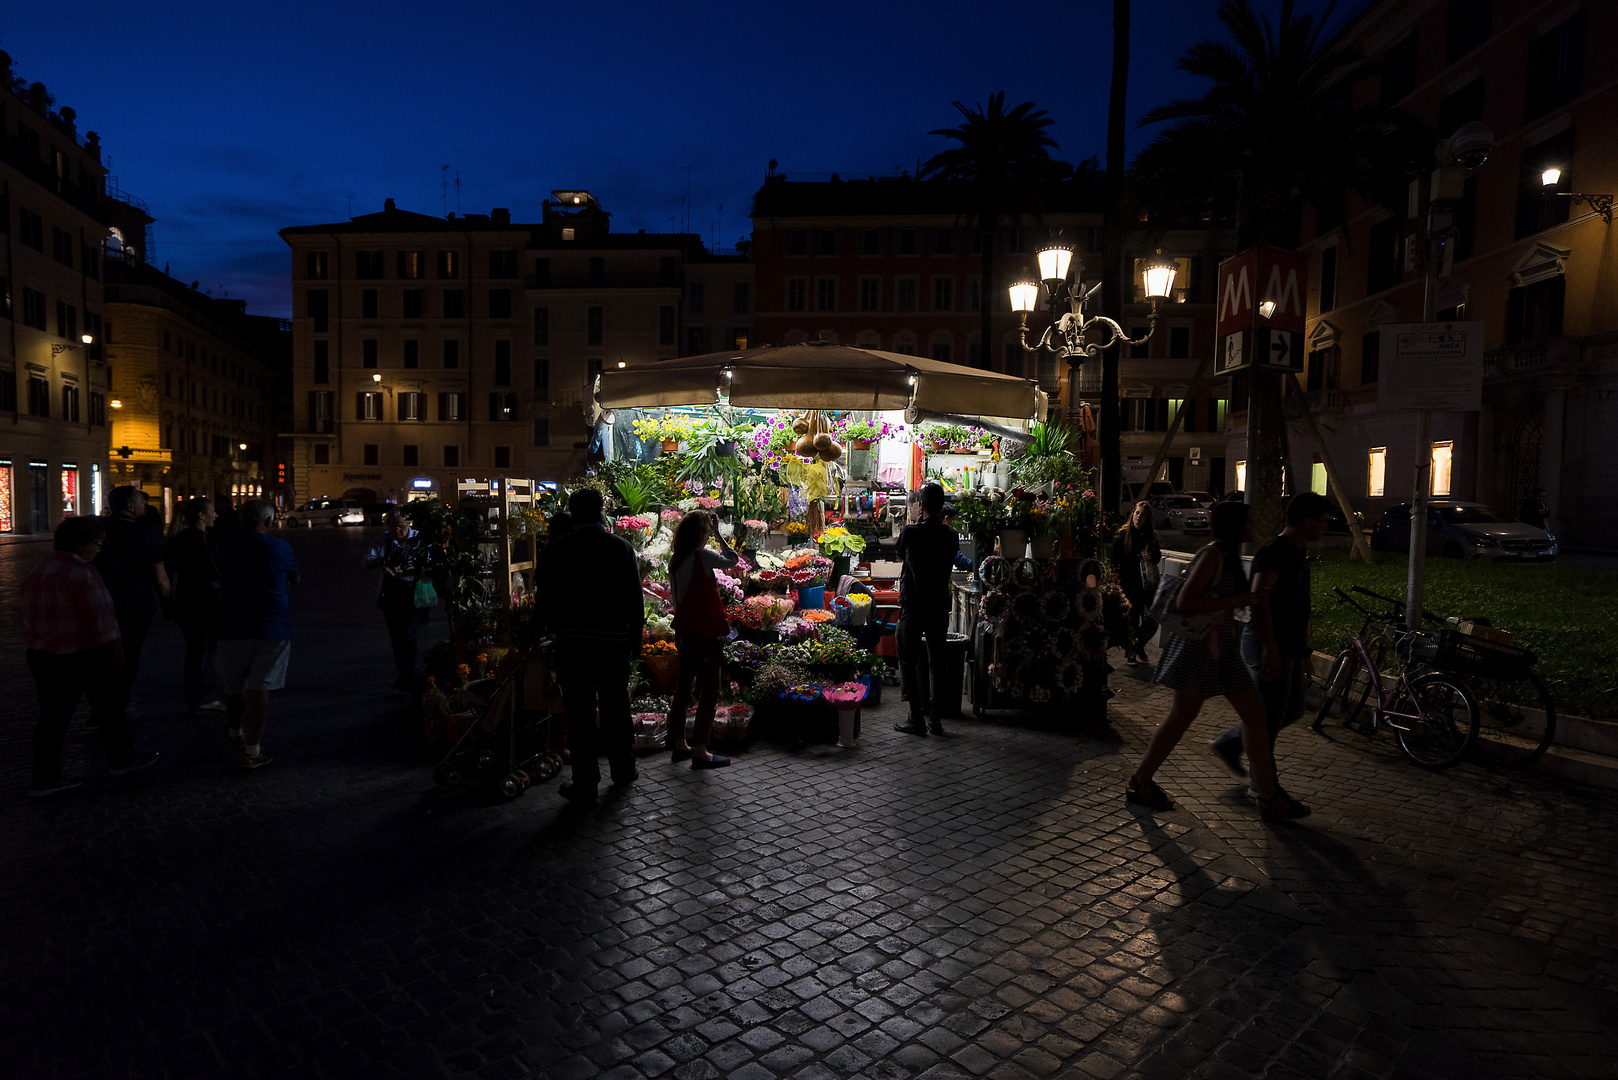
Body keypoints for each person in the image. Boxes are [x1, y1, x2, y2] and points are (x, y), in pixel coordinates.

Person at [1123, 501, 1310, 821]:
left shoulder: (1229, 555)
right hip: (1199, 653)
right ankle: (1140, 781)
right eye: (1248, 523)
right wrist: (1237, 601)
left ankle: (1268, 795)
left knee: (1255, 717)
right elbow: (1186, 601)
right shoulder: (1212, 555)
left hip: (1223, 653)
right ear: (1235, 526)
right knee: (1180, 719)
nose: (1252, 527)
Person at [23, 517, 159, 795]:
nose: (99, 549)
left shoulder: (38, 571)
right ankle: (122, 760)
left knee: (52, 718)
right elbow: (102, 618)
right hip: (83, 654)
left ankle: (45, 777)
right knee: (110, 709)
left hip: (43, 655)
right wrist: (116, 649)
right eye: (97, 543)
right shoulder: (82, 572)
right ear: (82, 544)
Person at [1208, 493, 1332, 791]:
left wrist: (1303, 649)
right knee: (1268, 717)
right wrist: (1269, 649)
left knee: (1291, 710)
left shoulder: (1297, 552)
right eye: (1323, 520)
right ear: (1308, 521)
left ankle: (1230, 744)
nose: (1325, 527)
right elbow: (1260, 602)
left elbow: (1297, 603)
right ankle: (1262, 786)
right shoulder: (1275, 551)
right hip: (1270, 641)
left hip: (1288, 643)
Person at [535, 488, 643, 803]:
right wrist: (635, 639)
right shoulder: (621, 548)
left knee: (579, 714)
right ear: (600, 512)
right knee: (615, 708)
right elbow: (634, 600)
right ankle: (623, 770)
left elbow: (544, 599)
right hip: (613, 644)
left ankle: (586, 781)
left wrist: (535, 634)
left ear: (574, 513)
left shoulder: (556, 550)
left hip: (572, 646)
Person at [215, 499, 300, 769]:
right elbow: (293, 578)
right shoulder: (280, 547)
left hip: (232, 623)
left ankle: (235, 731)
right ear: (268, 522)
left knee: (233, 683)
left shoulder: (224, 545)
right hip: (271, 624)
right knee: (260, 686)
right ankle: (253, 750)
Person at [664, 511, 739, 769]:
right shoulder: (702, 556)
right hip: (705, 632)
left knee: (683, 689)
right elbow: (732, 560)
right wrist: (720, 535)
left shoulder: (675, 560)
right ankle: (700, 750)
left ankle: (677, 744)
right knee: (710, 690)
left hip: (685, 631)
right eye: (707, 530)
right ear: (701, 533)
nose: (709, 534)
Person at [92, 486, 171, 730]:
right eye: (141, 502)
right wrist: (169, 603)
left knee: (102, 657)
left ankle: (100, 707)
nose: (144, 506)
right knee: (129, 657)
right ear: (130, 506)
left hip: (98, 602)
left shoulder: (97, 530)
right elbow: (160, 577)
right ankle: (116, 707)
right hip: (135, 605)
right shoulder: (144, 534)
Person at [894, 483, 959, 737]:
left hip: (914, 604)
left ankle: (915, 717)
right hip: (939, 606)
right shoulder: (951, 535)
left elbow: (900, 553)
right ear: (941, 507)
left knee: (907, 658)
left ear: (921, 505)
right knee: (937, 661)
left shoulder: (910, 532)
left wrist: (917, 522)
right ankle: (935, 719)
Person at [165, 497, 225, 717]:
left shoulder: (175, 540)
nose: (215, 515)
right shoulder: (205, 541)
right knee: (215, 649)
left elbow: (168, 575)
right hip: (207, 602)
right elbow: (214, 572)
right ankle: (207, 695)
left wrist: (167, 606)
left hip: (185, 602)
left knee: (194, 651)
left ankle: (193, 696)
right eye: (212, 511)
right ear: (201, 515)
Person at [364, 510, 430, 691]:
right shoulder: (384, 539)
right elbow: (367, 561)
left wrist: (413, 568)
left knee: (408, 634)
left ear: (409, 523)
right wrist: (385, 561)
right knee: (396, 637)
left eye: (402, 526)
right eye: (394, 527)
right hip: (391, 594)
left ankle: (408, 674)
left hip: (414, 592)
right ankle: (403, 673)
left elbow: (431, 563)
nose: (399, 531)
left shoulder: (419, 539)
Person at [1112, 500, 1163, 665]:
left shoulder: (1150, 536)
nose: (1139, 517)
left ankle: (1138, 646)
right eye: (1137, 512)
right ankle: (1133, 651)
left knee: (1153, 619)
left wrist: (1150, 557)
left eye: (1143, 514)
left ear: (1148, 518)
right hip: (1129, 585)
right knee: (1133, 620)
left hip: (1147, 586)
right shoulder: (1122, 535)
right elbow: (1114, 562)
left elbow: (1157, 556)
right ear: (1132, 514)